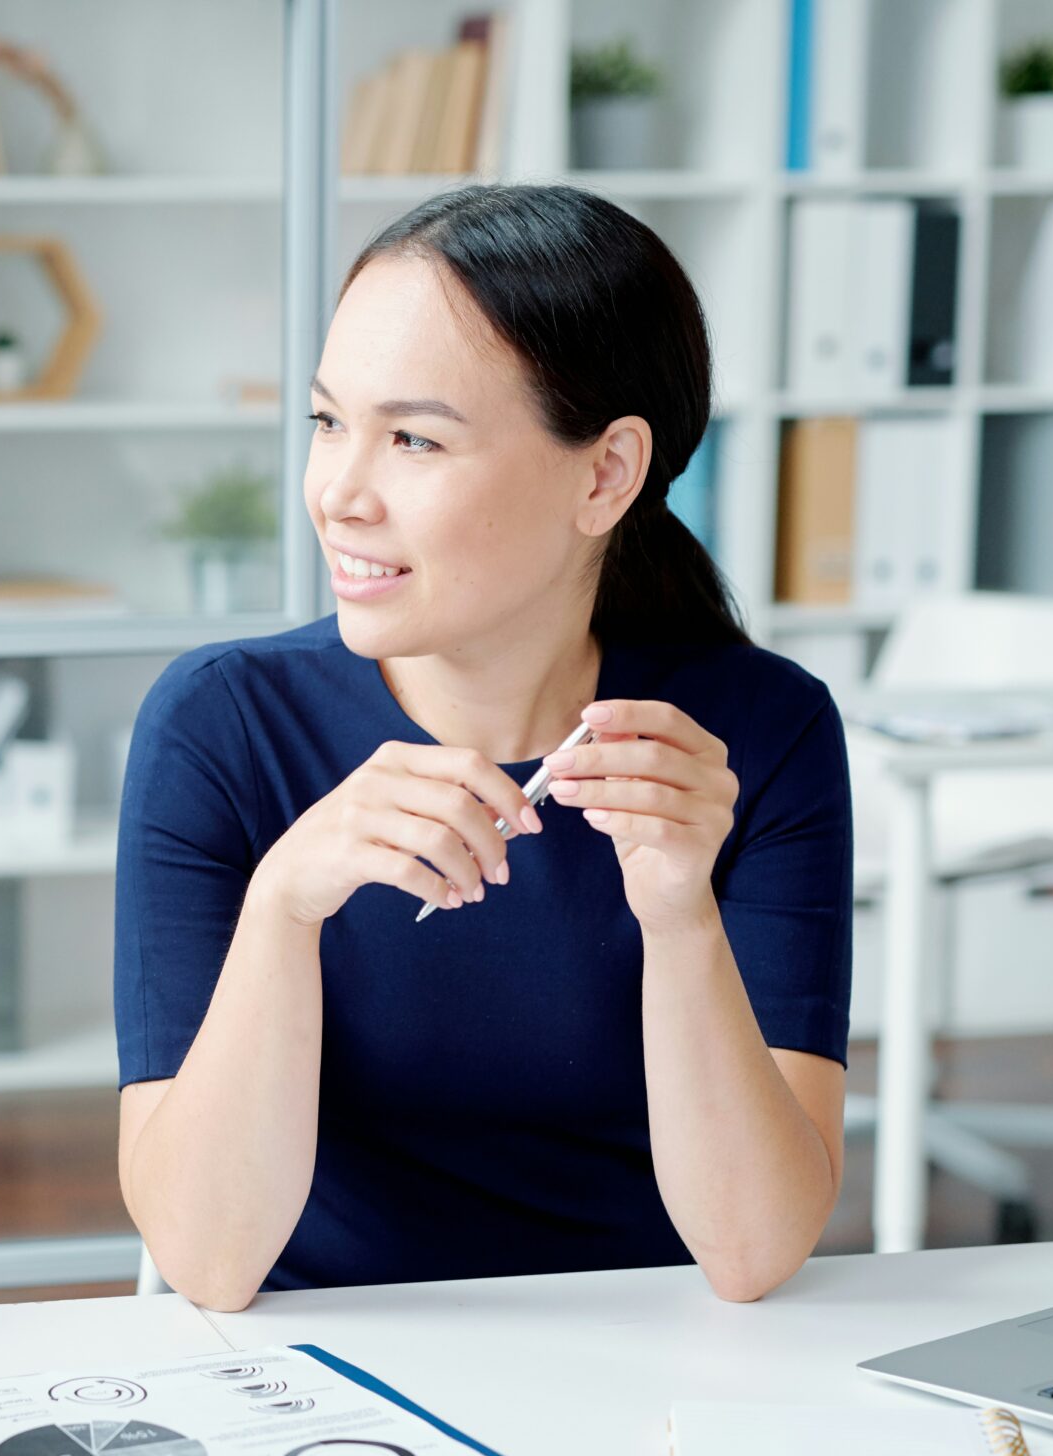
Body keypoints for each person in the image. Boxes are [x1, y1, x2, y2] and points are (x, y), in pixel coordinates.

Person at [115, 184, 850, 1312]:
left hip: (649, 1360)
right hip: (321, 1364)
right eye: (327, 423)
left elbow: (754, 1252)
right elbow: (207, 1262)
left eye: (413, 438)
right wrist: (285, 906)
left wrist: (679, 918)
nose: (338, 494)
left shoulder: (752, 739)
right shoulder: (222, 725)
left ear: (604, 474)